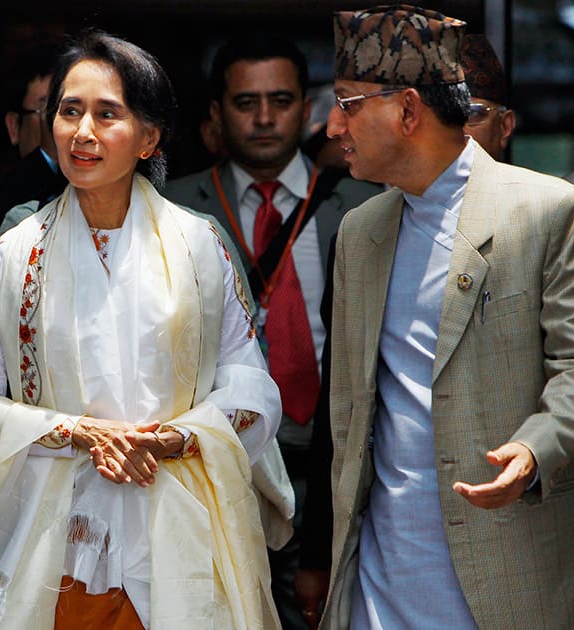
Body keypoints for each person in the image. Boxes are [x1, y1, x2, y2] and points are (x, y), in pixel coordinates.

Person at [0, 30, 283, 629]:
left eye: (108, 114)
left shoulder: (199, 244)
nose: (83, 132)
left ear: (149, 137)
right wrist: (76, 432)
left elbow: (249, 385)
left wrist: (175, 439)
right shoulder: (17, 253)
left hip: (180, 542)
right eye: (69, 111)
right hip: (54, 551)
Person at [323, 6, 574, 629]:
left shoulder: (549, 211)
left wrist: (532, 451)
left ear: (407, 111)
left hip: (509, 558)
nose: (335, 123)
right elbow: (346, 411)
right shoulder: (360, 232)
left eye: (348, 103)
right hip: (383, 568)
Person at [163, 36, 380, 630]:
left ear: (308, 108)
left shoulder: (361, 205)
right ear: (216, 114)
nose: (263, 118)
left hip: (327, 459)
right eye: (245, 102)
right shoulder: (169, 207)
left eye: (280, 100)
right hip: (209, 457)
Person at [0, 45, 68, 236]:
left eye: (70, 110)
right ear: (14, 126)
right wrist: (48, 156)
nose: (59, 122)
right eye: (47, 110)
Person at [459, 34, 515, 161]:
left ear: (505, 126)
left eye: (472, 114)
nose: (453, 133)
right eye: (440, 119)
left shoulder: (533, 182)